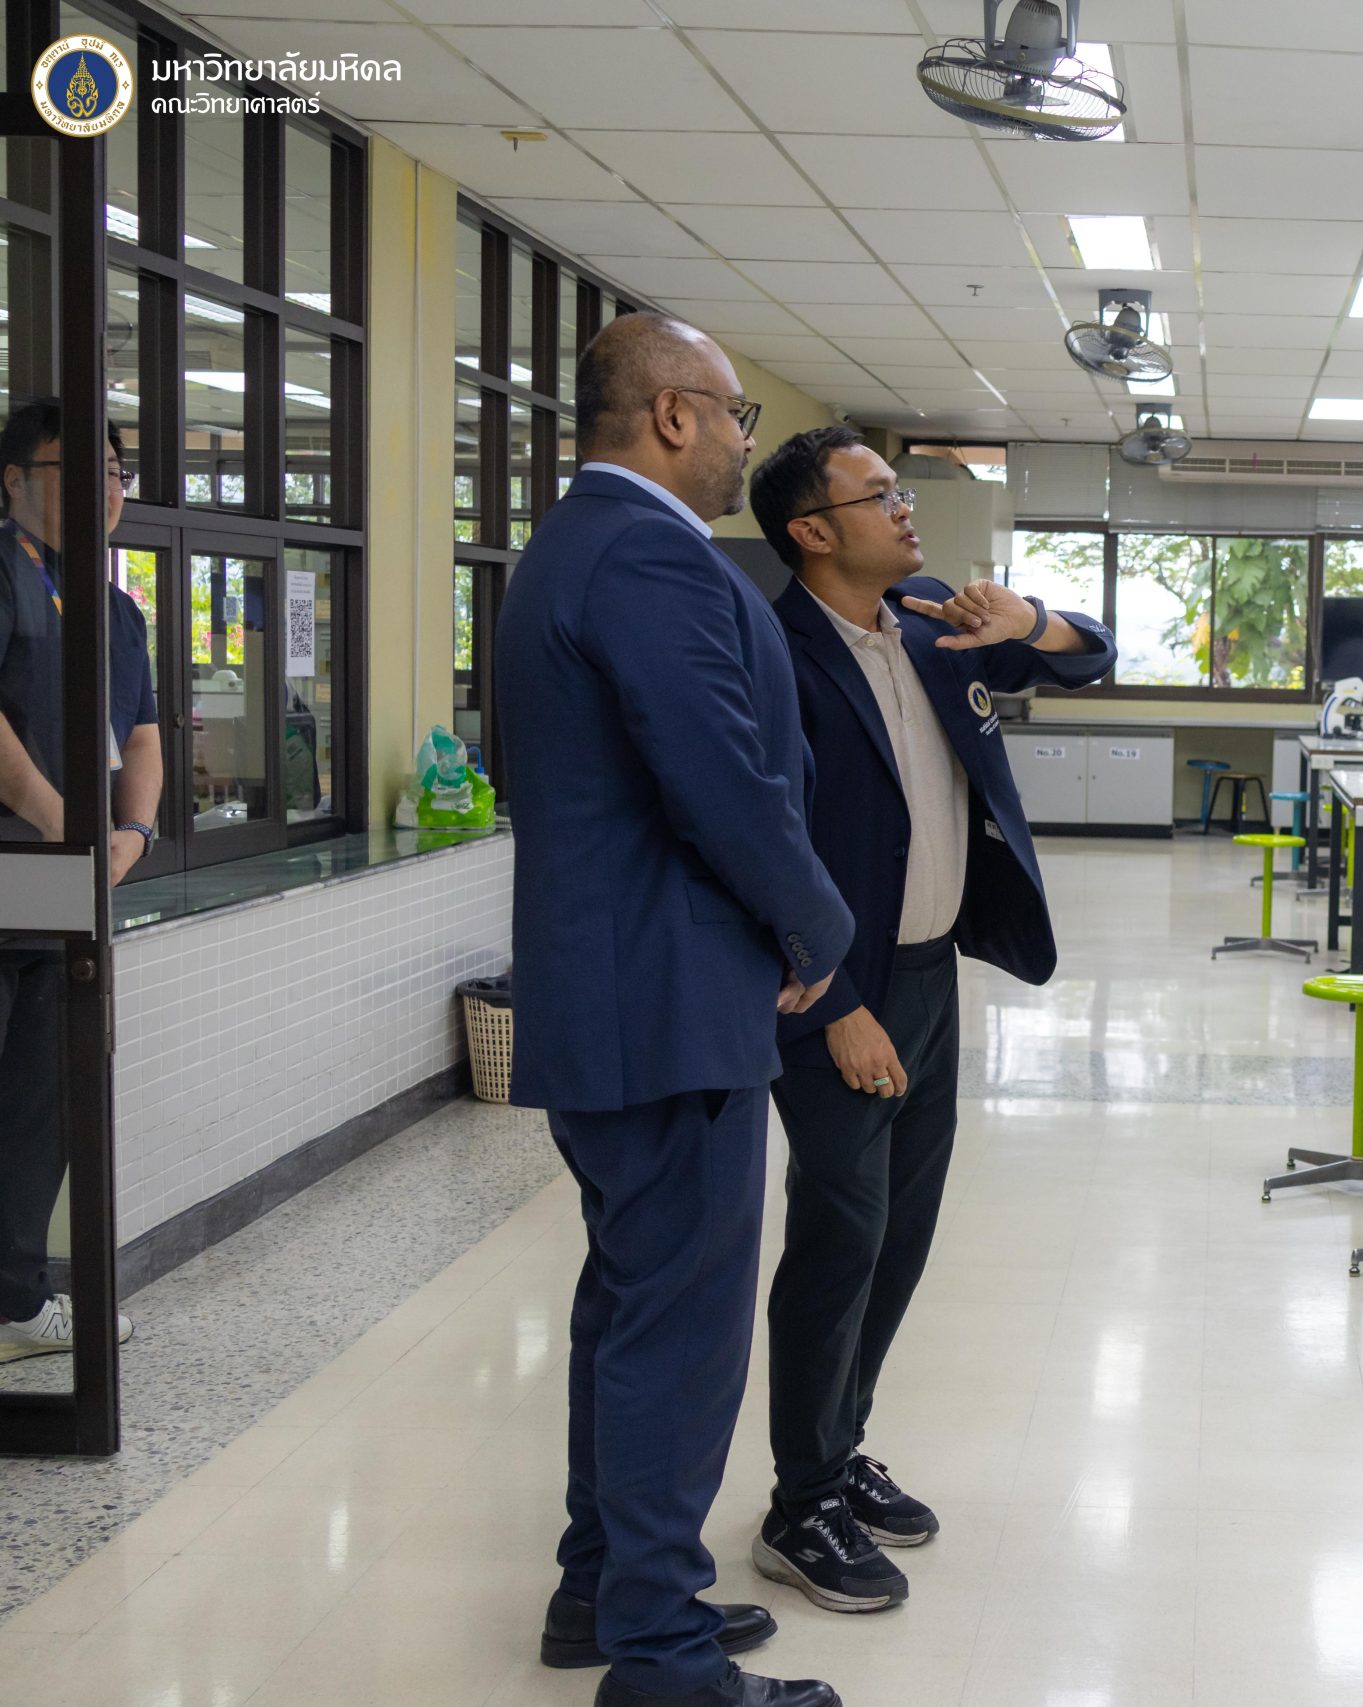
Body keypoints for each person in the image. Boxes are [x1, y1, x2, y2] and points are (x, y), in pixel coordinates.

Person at [497, 314, 854, 1707]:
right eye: (737, 414)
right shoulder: (647, 553)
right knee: (681, 1330)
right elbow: (720, 774)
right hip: (667, 997)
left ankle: (604, 1587)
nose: (743, 442)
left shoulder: (575, 544)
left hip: (618, 992)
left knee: (628, 1305)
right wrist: (818, 925)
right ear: (672, 415)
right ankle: (662, 1655)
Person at [746, 427, 1113, 1613]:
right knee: (842, 1234)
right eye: (880, 496)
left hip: (928, 976)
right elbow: (760, 843)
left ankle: (839, 1446)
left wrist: (1031, 623)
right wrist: (837, 1001)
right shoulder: (775, 653)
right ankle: (800, 1502)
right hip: (835, 997)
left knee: (902, 1231)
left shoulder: (929, 623)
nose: (906, 510)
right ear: (812, 530)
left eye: (900, 491)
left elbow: (1090, 657)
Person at [0, 399, 150, 1361]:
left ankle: (15, 1304)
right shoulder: (4, 572)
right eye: (76, 470)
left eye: (114, 473)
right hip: (19, 866)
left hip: (64, 892)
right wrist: (60, 822)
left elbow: (143, 733)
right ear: (14, 479)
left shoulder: (115, 607)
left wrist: (131, 833)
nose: (103, 490)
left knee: (42, 1106)